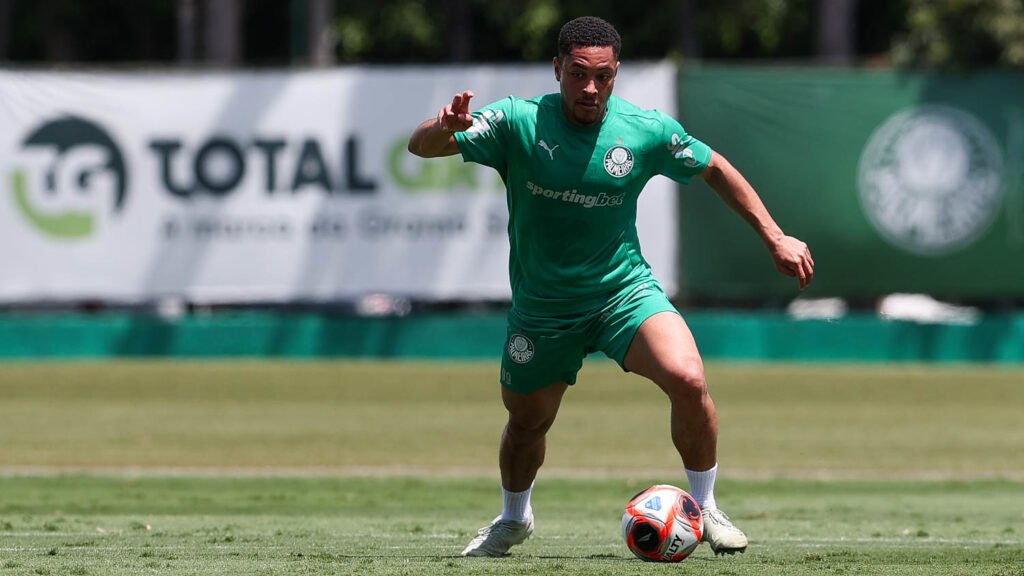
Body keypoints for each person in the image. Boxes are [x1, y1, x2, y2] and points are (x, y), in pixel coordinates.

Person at [408, 16, 814, 558]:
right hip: (544, 309)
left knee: (688, 379)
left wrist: (774, 236)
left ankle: (706, 507)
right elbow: (420, 148)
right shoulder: (516, 121)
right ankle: (513, 517)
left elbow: (714, 166)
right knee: (527, 423)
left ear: (617, 73)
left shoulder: (643, 129)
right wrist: (445, 128)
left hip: (623, 294)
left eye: (603, 76)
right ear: (558, 69)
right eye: (578, 75)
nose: (591, 88)